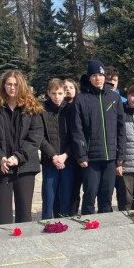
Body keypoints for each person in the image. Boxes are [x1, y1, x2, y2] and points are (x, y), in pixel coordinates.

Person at [0, 70, 44, 225]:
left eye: (16, 85)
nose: (12, 88)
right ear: (3, 85)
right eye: (9, 84)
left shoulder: (32, 109)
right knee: (1, 215)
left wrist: (18, 156)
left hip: (25, 167)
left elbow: (35, 137)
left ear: (22, 86)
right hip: (1, 167)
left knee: (24, 213)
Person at [71, 60, 126, 214]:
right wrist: (81, 155)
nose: (98, 78)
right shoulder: (81, 99)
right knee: (90, 194)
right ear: (89, 78)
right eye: (94, 75)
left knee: (107, 195)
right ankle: (89, 225)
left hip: (110, 157)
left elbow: (121, 127)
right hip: (91, 158)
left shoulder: (113, 97)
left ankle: (105, 228)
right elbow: (77, 129)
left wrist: (121, 153)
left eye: (100, 75)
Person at [40, 79, 74, 219]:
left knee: (65, 197)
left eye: (60, 93)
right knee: (49, 197)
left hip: (67, 160)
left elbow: (75, 136)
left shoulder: (70, 109)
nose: (57, 97)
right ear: (48, 93)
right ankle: (47, 223)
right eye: (54, 93)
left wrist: (65, 155)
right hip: (50, 161)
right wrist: (54, 156)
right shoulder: (41, 110)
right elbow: (39, 136)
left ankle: (63, 224)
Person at [62, 78, 81, 215]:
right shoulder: (59, 107)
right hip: (62, 153)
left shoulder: (79, 106)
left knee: (75, 187)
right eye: (65, 87)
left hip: (77, 154)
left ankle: (73, 212)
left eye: (71, 87)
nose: (68, 89)